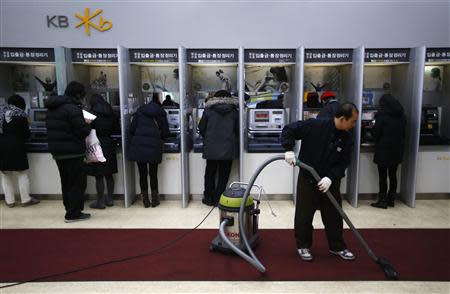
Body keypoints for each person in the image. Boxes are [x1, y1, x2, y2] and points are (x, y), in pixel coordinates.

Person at [281, 102, 358, 262]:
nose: (354, 124)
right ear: (343, 119)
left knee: (334, 216)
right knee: (304, 215)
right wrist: (288, 149)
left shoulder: (347, 138)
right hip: (308, 179)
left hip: (330, 182)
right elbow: (289, 129)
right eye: (353, 121)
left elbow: (343, 162)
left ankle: (337, 247)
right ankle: (303, 246)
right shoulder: (315, 125)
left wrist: (331, 177)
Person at [45, 81, 92, 222]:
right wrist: (88, 124)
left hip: (58, 152)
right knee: (77, 183)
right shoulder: (72, 109)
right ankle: (73, 213)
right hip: (73, 152)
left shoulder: (52, 108)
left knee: (66, 182)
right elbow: (82, 131)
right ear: (78, 95)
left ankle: (69, 209)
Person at [128, 93, 169, 208]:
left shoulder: (140, 112)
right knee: (153, 173)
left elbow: (132, 129)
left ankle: (145, 200)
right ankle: (155, 200)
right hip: (154, 146)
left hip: (139, 146)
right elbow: (166, 132)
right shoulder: (161, 113)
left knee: (142, 174)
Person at [198, 90, 239, 206]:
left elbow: (201, 128)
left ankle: (208, 198)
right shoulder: (234, 112)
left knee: (210, 173)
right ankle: (218, 199)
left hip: (211, 148)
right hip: (228, 148)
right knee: (223, 175)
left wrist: (209, 138)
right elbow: (238, 131)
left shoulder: (208, 111)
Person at [0, 94, 40, 207]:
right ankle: (25, 200)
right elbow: (27, 135)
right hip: (17, 148)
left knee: (5, 175)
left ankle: (10, 201)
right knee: (22, 174)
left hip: (2, 148)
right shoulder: (21, 115)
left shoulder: (0, 114)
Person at [371, 94, 406, 209]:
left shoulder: (382, 115)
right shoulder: (401, 115)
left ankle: (382, 200)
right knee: (393, 175)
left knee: (383, 176)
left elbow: (376, 133)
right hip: (397, 150)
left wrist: (372, 133)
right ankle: (391, 199)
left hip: (384, 150)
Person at [85, 94, 120, 209]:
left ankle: (100, 201)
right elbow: (117, 129)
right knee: (109, 174)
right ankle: (110, 199)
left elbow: (85, 130)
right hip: (109, 144)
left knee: (98, 175)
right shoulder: (111, 113)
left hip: (95, 144)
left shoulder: (90, 114)